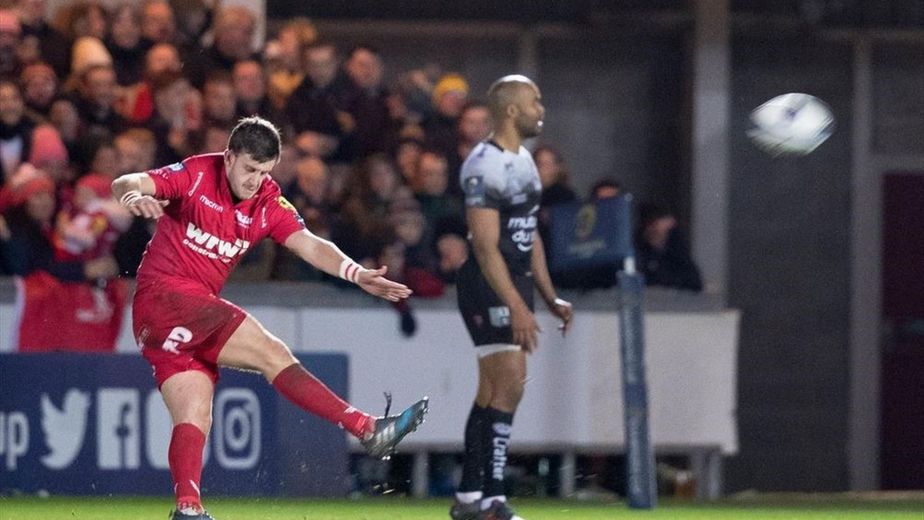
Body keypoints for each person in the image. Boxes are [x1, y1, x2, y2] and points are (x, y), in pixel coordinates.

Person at [109, 116, 429, 520]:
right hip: (165, 299)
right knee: (270, 351)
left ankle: (188, 509)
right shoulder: (194, 174)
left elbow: (310, 245)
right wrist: (131, 195)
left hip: (170, 322)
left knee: (194, 417)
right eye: (249, 169)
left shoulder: (268, 201)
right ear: (228, 157)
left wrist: (357, 273)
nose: (255, 180)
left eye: (264, 172)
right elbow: (129, 181)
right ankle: (366, 428)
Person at [451, 76, 573, 520]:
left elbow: (528, 234)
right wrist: (518, 306)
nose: (542, 108)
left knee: (493, 390)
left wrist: (548, 296)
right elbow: (485, 248)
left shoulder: (522, 161)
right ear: (511, 111)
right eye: (535, 101)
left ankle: (468, 498)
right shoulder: (483, 165)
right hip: (487, 283)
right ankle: (493, 501)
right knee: (510, 386)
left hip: (514, 282)